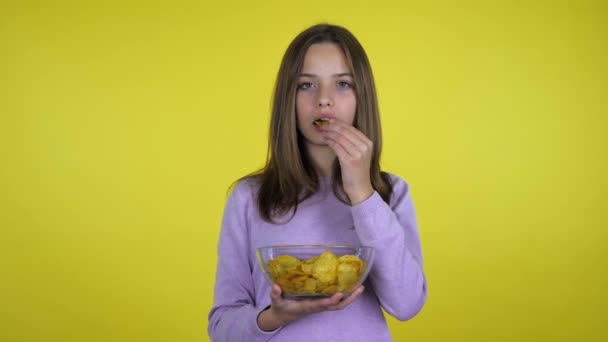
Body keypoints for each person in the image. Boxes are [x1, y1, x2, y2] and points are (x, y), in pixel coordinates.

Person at [207, 23, 427, 342]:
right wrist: (275, 316)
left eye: (343, 84)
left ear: (361, 96)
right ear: (289, 99)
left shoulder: (391, 193)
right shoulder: (249, 198)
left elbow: (407, 304)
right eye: (307, 85)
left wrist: (362, 193)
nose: (324, 100)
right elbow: (221, 328)